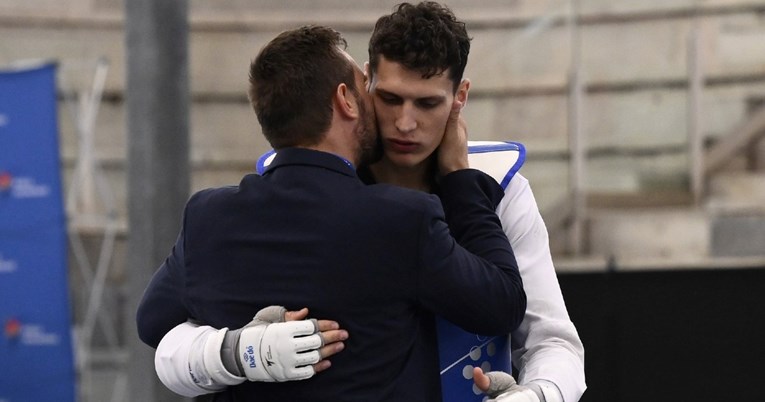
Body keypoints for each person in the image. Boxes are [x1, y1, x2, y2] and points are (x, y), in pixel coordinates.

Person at [152, 2, 586, 401]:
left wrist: (535, 396)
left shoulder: (502, 188)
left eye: (428, 103)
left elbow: (552, 340)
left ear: (460, 97)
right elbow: (167, 325)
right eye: (390, 98)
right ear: (361, 88)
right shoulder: (295, 186)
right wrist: (239, 350)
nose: (405, 122)